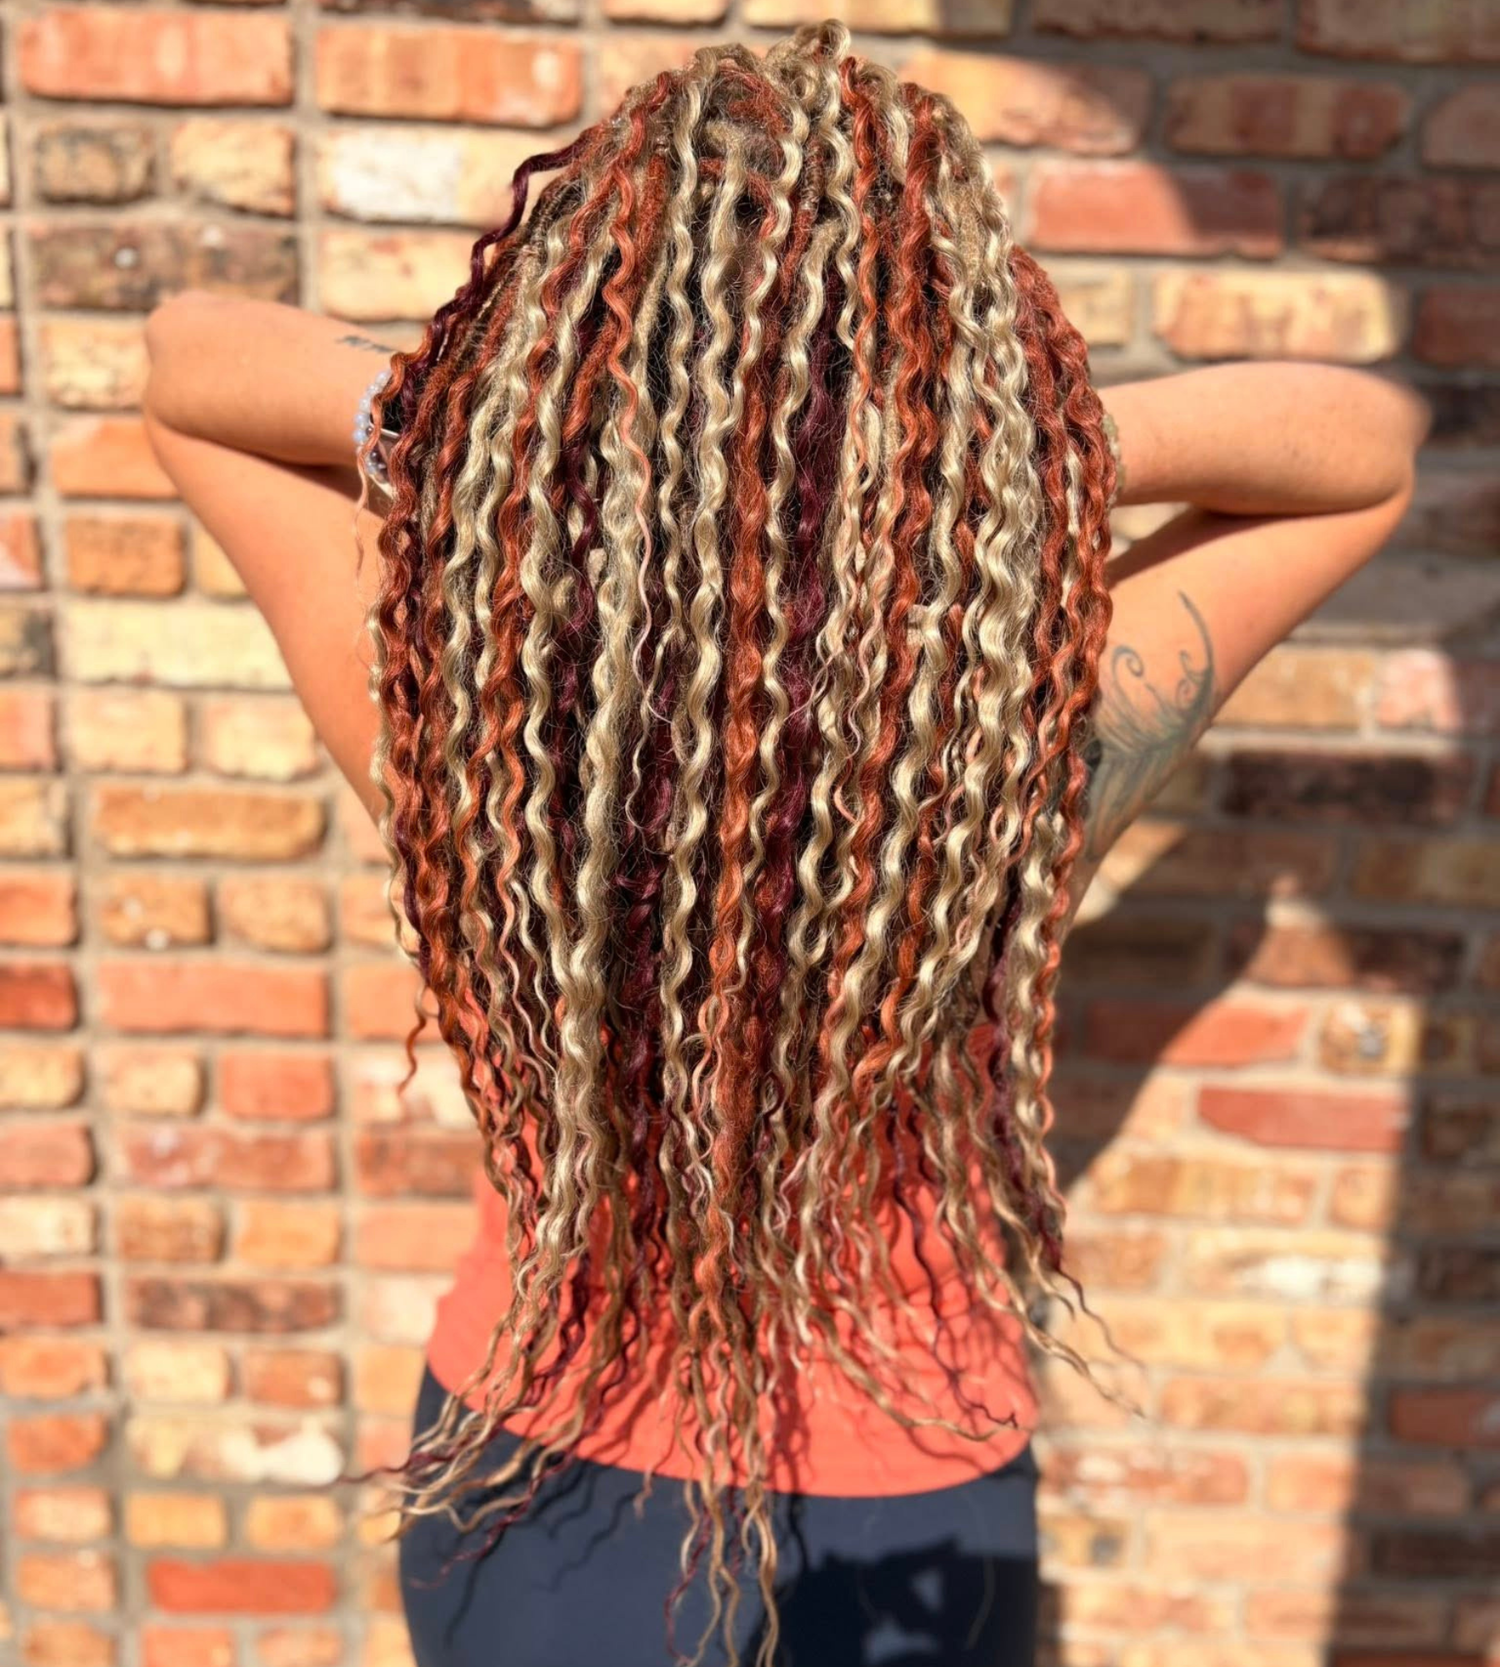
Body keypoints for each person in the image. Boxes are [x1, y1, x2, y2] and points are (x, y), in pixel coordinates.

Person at [141, 24, 1431, 1667]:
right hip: (910, 1501)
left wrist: (519, 422)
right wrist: (994, 450)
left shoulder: (463, 728)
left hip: (535, 1498)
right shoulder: (1019, 751)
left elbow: (189, 362)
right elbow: (1360, 450)